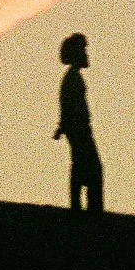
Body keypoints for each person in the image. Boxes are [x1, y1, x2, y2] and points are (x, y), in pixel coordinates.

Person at [54, 33, 104, 214]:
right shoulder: (72, 79)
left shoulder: (73, 78)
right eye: (83, 50)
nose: (86, 54)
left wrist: (62, 127)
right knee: (91, 169)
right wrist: (66, 126)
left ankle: (80, 207)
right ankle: (87, 211)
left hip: (78, 129)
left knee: (82, 166)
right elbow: (70, 106)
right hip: (79, 130)